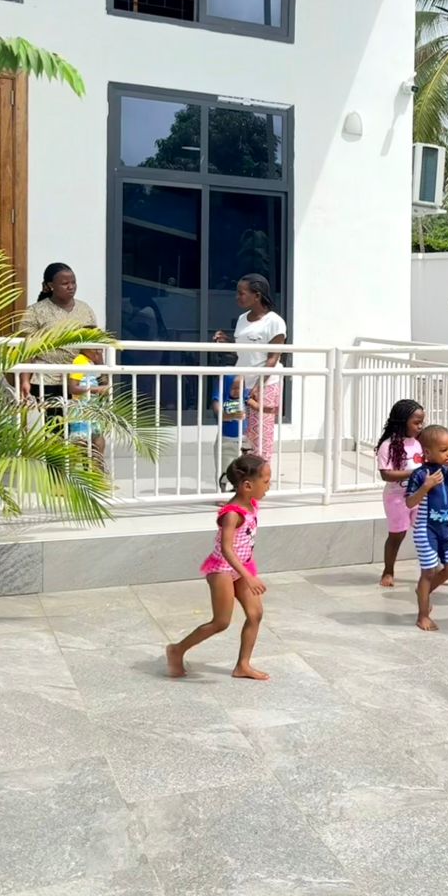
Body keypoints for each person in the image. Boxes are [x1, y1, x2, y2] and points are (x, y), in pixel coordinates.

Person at [166, 454, 272, 681]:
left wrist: (246, 572)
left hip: (241, 566)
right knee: (221, 622)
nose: (268, 487)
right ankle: (176, 649)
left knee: (255, 614)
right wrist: (249, 577)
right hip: (222, 569)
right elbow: (226, 549)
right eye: (265, 481)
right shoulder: (232, 514)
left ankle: (243, 665)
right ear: (247, 485)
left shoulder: (252, 504)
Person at [214, 274, 286, 464]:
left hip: (266, 385)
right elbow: (243, 354)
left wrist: (258, 387)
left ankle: (262, 479)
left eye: (241, 293)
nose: (237, 297)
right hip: (241, 386)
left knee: (261, 437)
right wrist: (227, 343)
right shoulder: (241, 319)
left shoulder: (274, 322)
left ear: (257, 295)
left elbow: (272, 358)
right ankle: (244, 478)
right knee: (240, 434)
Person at [406, 424, 448, 631]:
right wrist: (426, 486)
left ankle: (423, 591)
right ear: (427, 452)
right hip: (425, 529)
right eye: (443, 450)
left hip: (444, 528)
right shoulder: (420, 475)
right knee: (429, 571)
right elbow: (409, 503)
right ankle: (422, 615)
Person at [17, 263, 101, 401]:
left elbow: (96, 347)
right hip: (47, 380)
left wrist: (103, 376)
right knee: (54, 421)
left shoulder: (85, 309)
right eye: (65, 283)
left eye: (73, 282)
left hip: (80, 380)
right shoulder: (35, 311)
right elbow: (28, 350)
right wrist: (25, 380)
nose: (71, 287)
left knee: (80, 422)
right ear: (51, 286)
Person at [375, 399, 425, 586]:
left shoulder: (419, 442)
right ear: (402, 421)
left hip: (419, 496)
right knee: (397, 534)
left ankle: (432, 568)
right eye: (416, 422)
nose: (420, 426)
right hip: (397, 498)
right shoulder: (388, 445)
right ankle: (388, 571)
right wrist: (414, 473)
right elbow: (386, 474)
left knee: (425, 532)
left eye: (422, 422)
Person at [66, 349, 110, 468]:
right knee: (79, 442)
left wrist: (100, 361)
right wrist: (96, 390)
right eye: (96, 349)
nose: (98, 352)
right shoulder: (79, 361)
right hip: (81, 409)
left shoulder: (91, 363)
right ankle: (71, 474)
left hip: (93, 408)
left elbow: (104, 381)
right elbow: (73, 388)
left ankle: (97, 471)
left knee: (97, 437)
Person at [211, 373, 246, 491]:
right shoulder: (221, 397)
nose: (237, 391)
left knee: (241, 469)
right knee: (224, 467)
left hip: (242, 439)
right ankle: (220, 492)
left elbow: (254, 404)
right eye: (233, 388)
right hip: (225, 440)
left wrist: (268, 409)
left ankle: (237, 490)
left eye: (239, 388)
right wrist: (232, 415)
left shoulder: (243, 397)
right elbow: (219, 413)